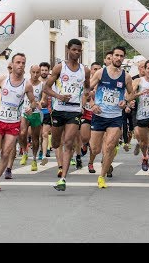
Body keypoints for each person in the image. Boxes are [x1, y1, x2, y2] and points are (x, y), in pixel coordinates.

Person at [0, 53, 38, 191]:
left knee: (6, 153)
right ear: (12, 65)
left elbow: (33, 102)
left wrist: (31, 109)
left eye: (23, 63)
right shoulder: (3, 79)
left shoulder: (27, 85)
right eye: (18, 62)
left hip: (13, 123)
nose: (20, 65)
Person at [43, 39, 91, 191]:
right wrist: (59, 97)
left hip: (74, 111)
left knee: (69, 142)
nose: (77, 52)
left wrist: (85, 99)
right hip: (59, 109)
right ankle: (55, 146)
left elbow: (87, 88)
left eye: (79, 50)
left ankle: (63, 178)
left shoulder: (85, 70)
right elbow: (46, 88)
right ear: (68, 50)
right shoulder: (59, 67)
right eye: (74, 50)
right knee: (57, 143)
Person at [89, 47, 136, 188]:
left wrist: (125, 102)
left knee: (109, 146)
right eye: (116, 55)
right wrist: (92, 105)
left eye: (121, 56)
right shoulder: (101, 73)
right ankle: (103, 156)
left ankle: (102, 177)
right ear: (111, 57)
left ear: (123, 58)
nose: (119, 58)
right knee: (95, 149)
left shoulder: (126, 76)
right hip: (99, 115)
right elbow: (86, 90)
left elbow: (131, 94)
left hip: (115, 117)